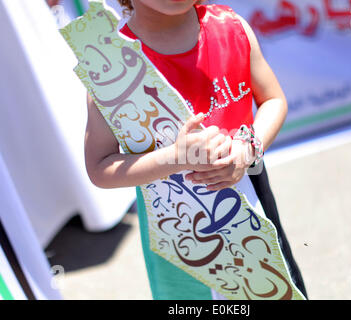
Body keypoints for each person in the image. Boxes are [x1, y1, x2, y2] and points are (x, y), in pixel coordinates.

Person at [84, 0, 307, 299]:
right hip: (177, 225)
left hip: (249, 198)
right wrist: (173, 158)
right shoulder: (113, 67)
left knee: (273, 290)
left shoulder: (231, 28)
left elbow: (273, 100)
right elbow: (100, 167)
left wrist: (248, 148)